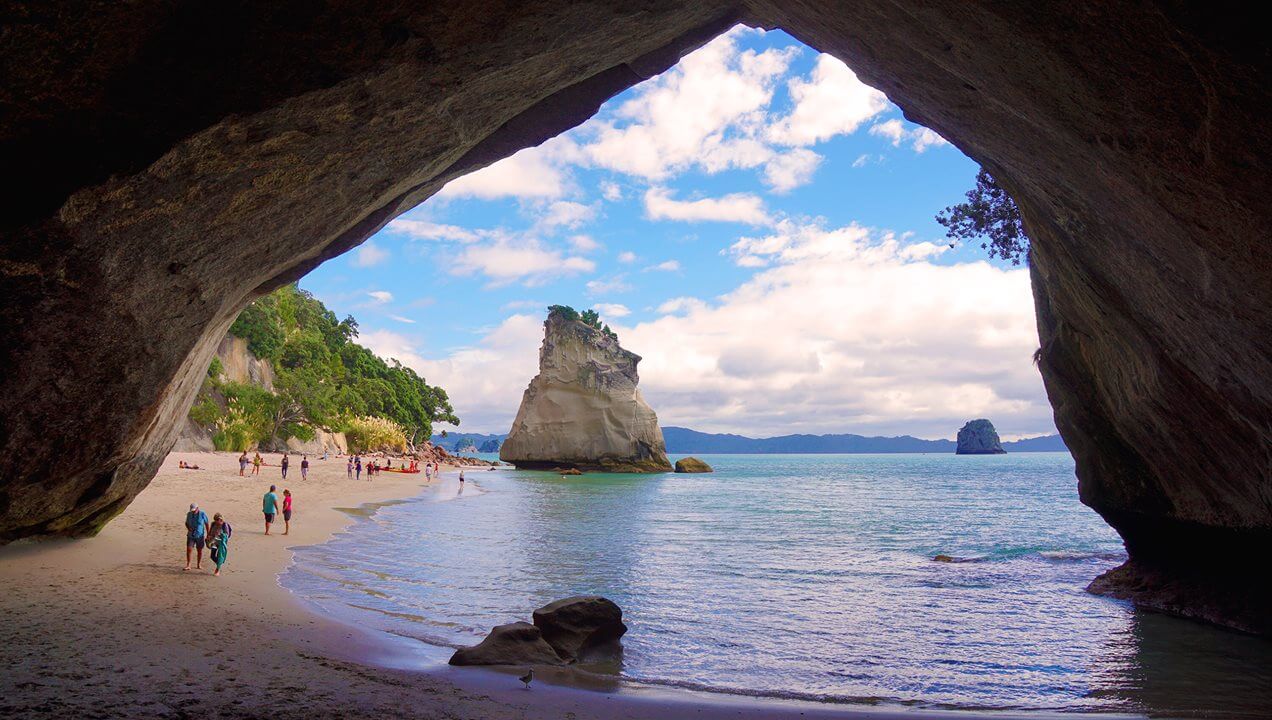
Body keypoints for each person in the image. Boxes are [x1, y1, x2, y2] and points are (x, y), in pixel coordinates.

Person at [184, 502, 209, 571]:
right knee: (189, 549)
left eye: (194, 510)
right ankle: (188, 565)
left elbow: (207, 524)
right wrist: (188, 528)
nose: (193, 511)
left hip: (200, 536)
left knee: (199, 550)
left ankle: (199, 564)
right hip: (190, 535)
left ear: (198, 508)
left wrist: (208, 534)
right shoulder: (189, 514)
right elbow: (186, 523)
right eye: (192, 510)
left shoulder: (202, 514)